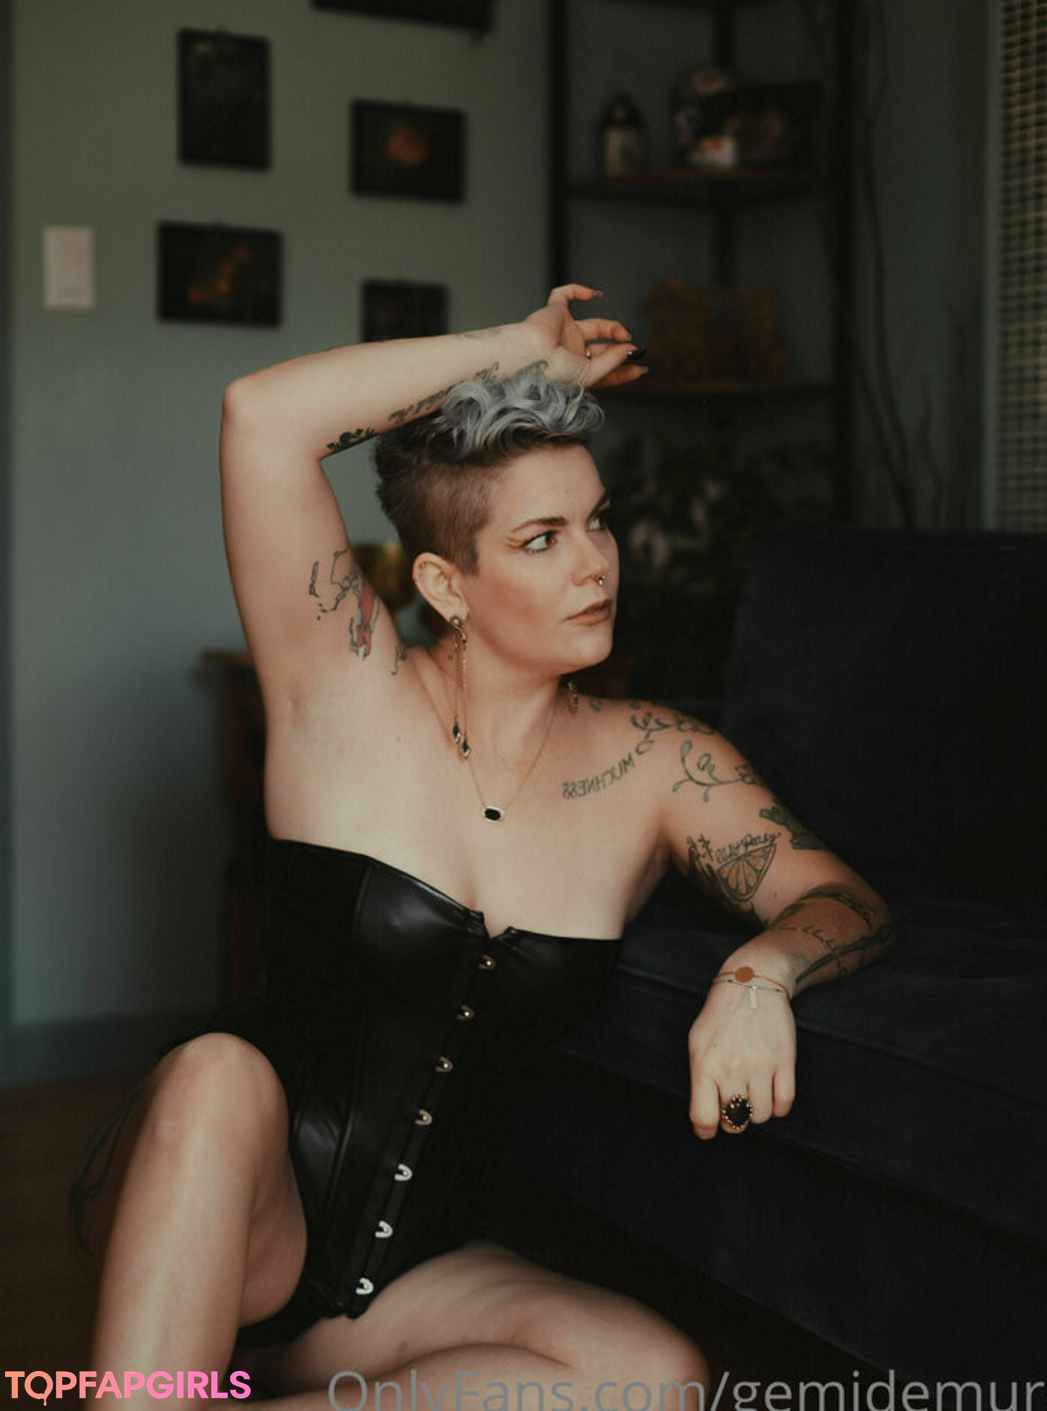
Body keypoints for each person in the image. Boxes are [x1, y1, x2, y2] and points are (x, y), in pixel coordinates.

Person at [72, 283, 896, 1409]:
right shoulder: (343, 692)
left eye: (598, 521)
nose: (595, 564)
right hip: (242, 1210)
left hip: (417, 1274)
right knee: (217, 1072)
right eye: (542, 539)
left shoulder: (660, 763)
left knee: (653, 1381)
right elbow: (262, 417)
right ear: (445, 585)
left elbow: (842, 899)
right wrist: (521, 351)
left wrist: (760, 977)